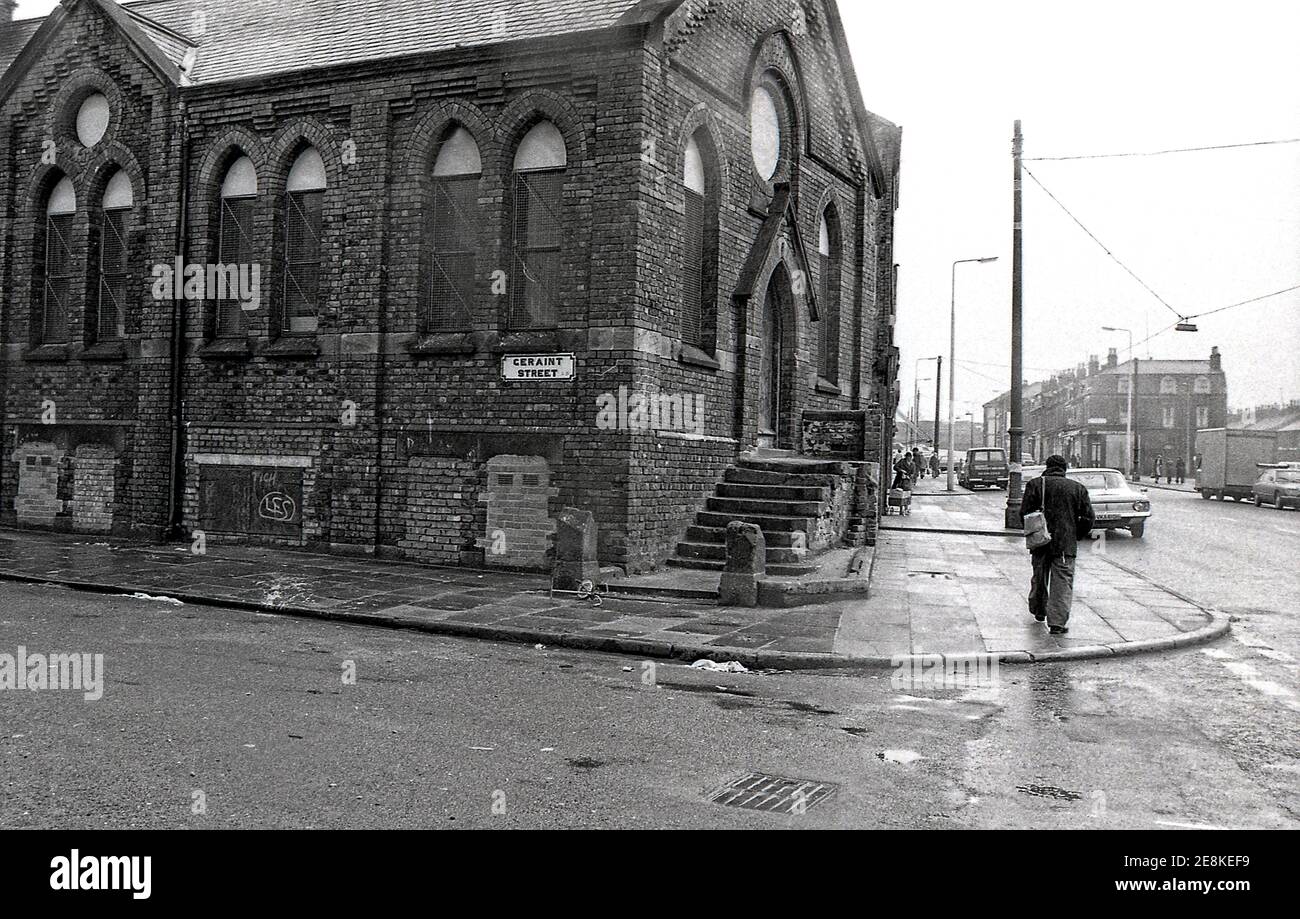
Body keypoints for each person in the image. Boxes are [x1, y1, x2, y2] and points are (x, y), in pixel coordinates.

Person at [1021, 455, 1095, 635]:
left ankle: (1039, 610)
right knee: (1062, 581)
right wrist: (1075, 534)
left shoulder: (1036, 484)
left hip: (1040, 540)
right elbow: (1088, 518)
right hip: (1065, 543)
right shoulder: (1077, 488)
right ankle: (1057, 623)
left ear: (1047, 466)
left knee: (1039, 575)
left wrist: (1033, 531)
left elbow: (1024, 513)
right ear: (1065, 468)